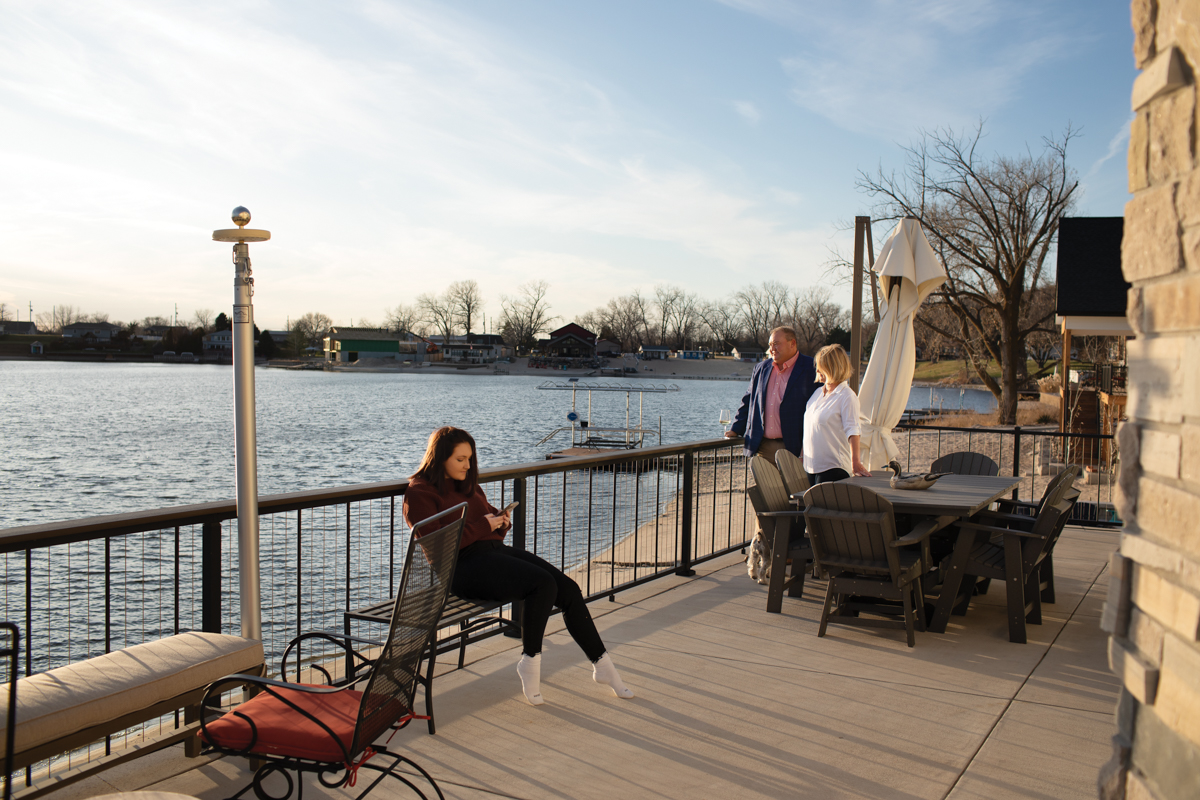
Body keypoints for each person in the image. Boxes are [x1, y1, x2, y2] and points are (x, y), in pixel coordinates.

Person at [403, 426, 634, 707]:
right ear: (440, 458)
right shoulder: (419, 492)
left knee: (569, 589)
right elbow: (436, 546)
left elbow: (485, 525)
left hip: (491, 553)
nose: (468, 466)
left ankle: (603, 665)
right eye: (460, 459)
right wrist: (483, 526)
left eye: (470, 459)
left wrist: (499, 521)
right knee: (541, 585)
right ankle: (530, 661)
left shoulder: (466, 485)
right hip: (460, 569)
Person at [724, 326, 820, 466]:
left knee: (796, 482)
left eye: (776, 344)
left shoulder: (811, 368)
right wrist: (736, 429)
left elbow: (821, 404)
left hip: (797, 448)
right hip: (763, 448)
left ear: (792, 343)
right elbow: (749, 400)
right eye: (770, 345)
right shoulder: (761, 368)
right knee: (764, 481)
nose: (772, 349)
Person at [803, 344, 871, 486]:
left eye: (821, 366)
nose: (817, 370)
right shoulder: (817, 394)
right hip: (811, 467)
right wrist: (802, 455)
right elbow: (810, 428)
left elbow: (853, 430)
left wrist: (856, 462)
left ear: (832, 367)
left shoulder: (847, 396)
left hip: (833, 468)